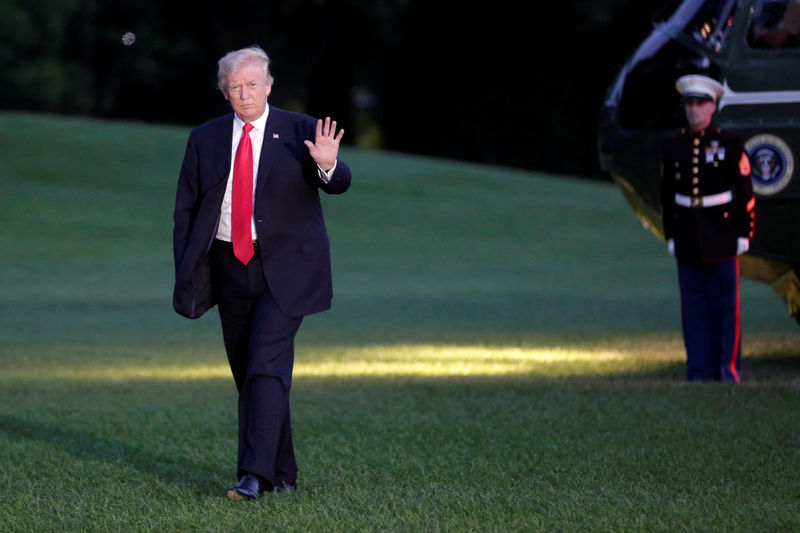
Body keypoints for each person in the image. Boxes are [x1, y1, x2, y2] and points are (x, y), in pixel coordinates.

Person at [172, 45, 351, 498]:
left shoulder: (301, 131)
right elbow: (186, 212)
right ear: (224, 92)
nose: (245, 94)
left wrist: (327, 164)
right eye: (235, 87)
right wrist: (188, 269)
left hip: (287, 270)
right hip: (229, 266)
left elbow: (339, 180)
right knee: (250, 374)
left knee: (266, 367)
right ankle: (284, 475)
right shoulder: (205, 138)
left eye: (253, 84)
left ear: (269, 86)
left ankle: (253, 476)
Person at [661, 74, 755, 383]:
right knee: (693, 310)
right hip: (688, 236)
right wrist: (671, 234)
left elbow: (744, 192)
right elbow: (667, 195)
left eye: (700, 103)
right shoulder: (673, 146)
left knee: (725, 308)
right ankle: (698, 372)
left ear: (713, 106)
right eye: (689, 104)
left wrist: (745, 233)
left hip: (722, 235)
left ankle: (727, 371)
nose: (694, 110)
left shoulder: (729, 144)